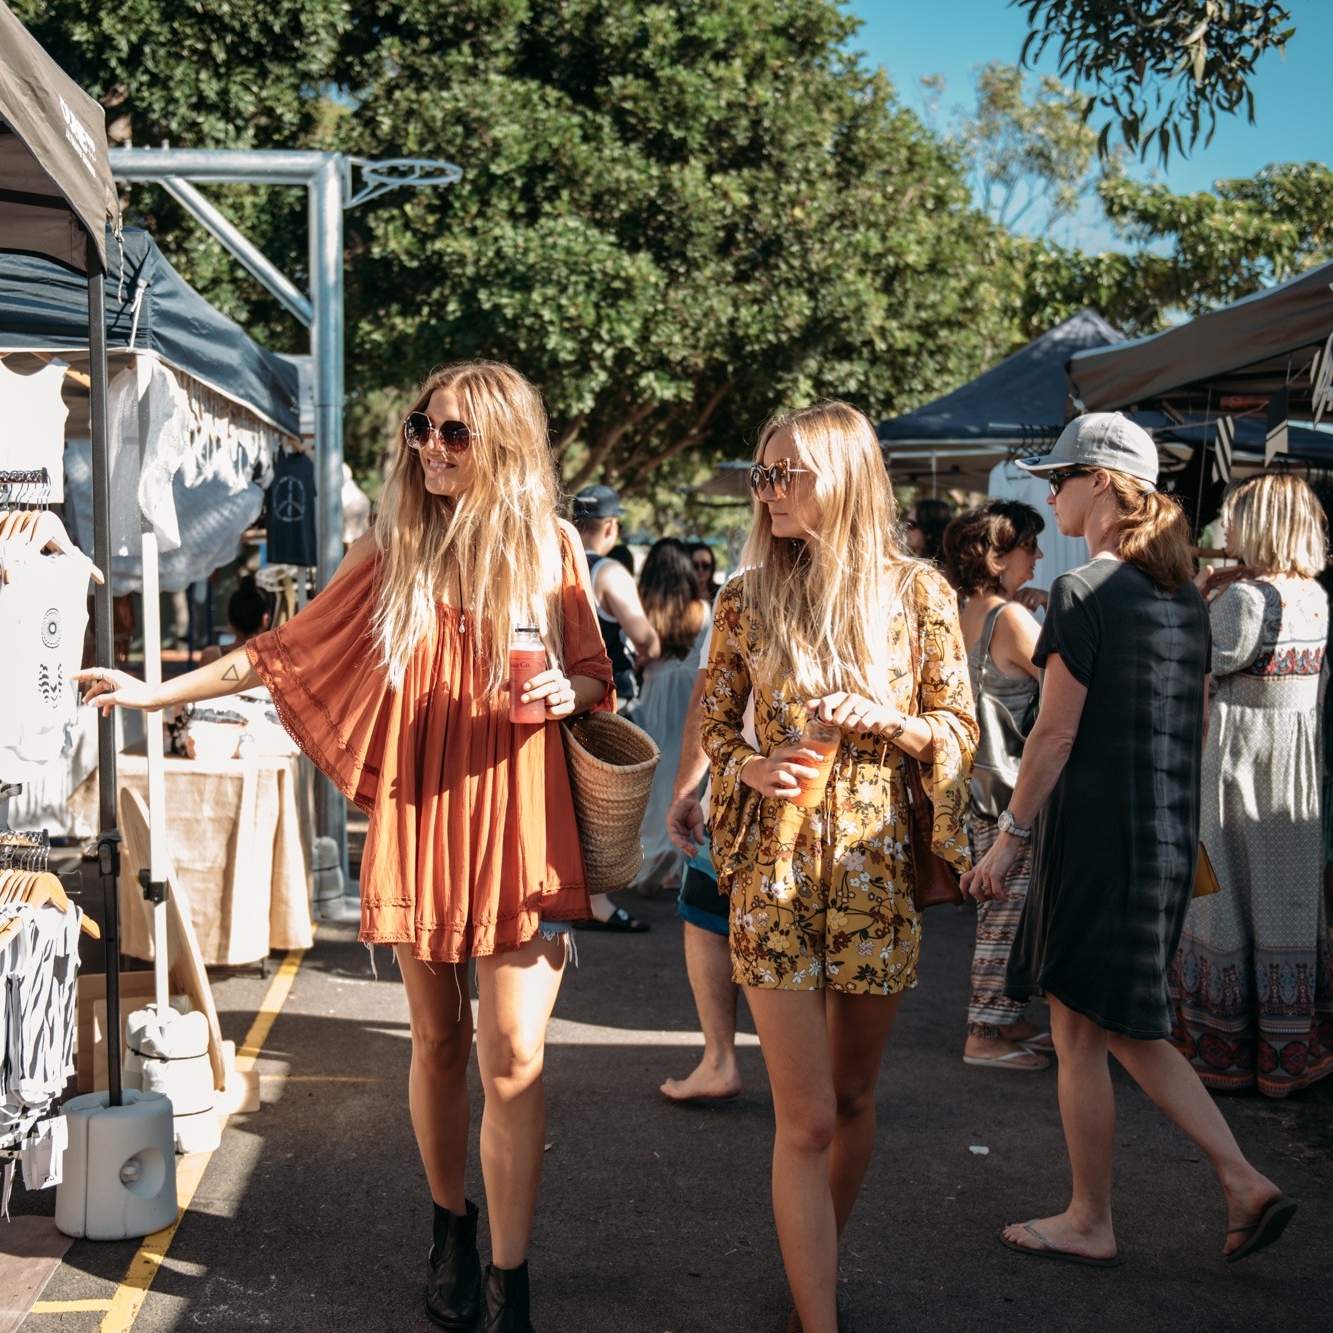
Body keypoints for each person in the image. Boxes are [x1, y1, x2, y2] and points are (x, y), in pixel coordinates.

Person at [75, 360, 615, 1333]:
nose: (430, 449)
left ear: (499, 440)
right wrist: (157, 692)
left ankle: (511, 1278)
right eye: (421, 428)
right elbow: (284, 650)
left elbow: (592, 672)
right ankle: (449, 1223)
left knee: (515, 1057)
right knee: (441, 1041)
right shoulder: (397, 543)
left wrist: (565, 693)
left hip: (517, 817)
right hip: (423, 811)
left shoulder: (549, 547)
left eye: (453, 433)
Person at [964, 412, 1296, 1268]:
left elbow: (1052, 735)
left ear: (1103, 483)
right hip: (1162, 834)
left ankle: (1101, 1215)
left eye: (1060, 476)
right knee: (1118, 1028)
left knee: (1094, 1032)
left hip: (1097, 837)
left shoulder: (1085, 592)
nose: (1048, 492)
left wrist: (1007, 838)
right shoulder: (1183, 594)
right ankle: (1227, 1182)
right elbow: (1192, 723)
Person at [701, 401, 976, 1333]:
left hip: (873, 868)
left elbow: (959, 732)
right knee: (806, 1117)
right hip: (773, 868)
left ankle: (811, 1271)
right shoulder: (743, 597)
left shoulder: (920, 595)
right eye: (763, 474)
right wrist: (746, 761)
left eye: (789, 473)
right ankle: (819, 1319)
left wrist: (888, 721)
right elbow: (707, 721)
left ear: (844, 478)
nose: (769, 491)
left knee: (855, 1098)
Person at [1172, 473, 1333, 1097]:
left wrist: (1196, 595)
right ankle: (1288, 1047)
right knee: (1286, 899)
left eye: (1235, 518)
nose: (1225, 531)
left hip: (1239, 768)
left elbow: (1190, 657)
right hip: (1292, 771)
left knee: (1218, 895)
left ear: (1263, 524)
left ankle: (1225, 1049)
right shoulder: (1314, 595)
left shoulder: (1247, 600)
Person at [941, 501, 1051, 1072]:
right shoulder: (1010, 619)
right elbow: (1065, 682)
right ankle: (984, 1033)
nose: (1037, 556)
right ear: (998, 555)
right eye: (1029, 546)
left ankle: (1006, 1017)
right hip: (1009, 788)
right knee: (1005, 909)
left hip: (972, 784)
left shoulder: (964, 612)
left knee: (999, 905)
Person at [571, 483, 659, 933]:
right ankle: (599, 901)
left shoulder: (552, 564)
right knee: (604, 805)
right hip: (606, 699)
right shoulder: (608, 572)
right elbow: (643, 636)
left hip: (560, 698)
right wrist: (649, 650)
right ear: (610, 525)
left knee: (571, 801)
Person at [630, 539, 713, 892]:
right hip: (690, 698)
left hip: (654, 696)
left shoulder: (645, 609)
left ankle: (646, 855)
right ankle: (677, 862)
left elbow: (638, 653)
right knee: (686, 779)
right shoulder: (703, 609)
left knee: (653, 780)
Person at [901, 497, 954, 564]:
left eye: (911, 524)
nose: (905, 528)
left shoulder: (942, 570)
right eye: (906, 522)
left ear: (929, 529)